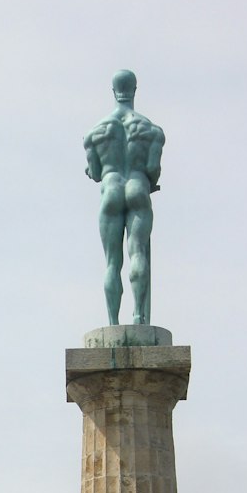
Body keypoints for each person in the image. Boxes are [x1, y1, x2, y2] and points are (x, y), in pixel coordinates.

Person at [83, 69, 165, 326]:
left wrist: (96, 169)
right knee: (137, 252)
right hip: (138, 187)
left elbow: (95, 172)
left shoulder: (95, 133)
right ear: (135, 90)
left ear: (113, 91)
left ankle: (113, 322)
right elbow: (153, 170)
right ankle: (139, 314)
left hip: (111, 188)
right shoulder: (152, 131)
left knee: (112, 261)